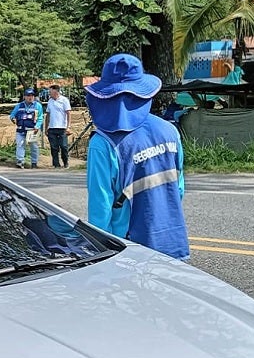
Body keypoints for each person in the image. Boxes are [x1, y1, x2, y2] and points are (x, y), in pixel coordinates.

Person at [85, 53, 189, 260]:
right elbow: (178, 189)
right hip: (171, 242)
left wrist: (100, 255)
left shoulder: (102, 143)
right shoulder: (169, 131)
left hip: (129, 252)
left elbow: (100, 209)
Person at [9, 89, 43, 168]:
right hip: (21, 130)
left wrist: (37, 126)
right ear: (24, 96)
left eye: (32, 96)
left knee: (34, 146)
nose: (30, 97)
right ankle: (20, 161)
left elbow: (40, 117)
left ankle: (34, 163)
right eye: (28, 96)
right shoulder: (19, 106)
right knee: (20, 145)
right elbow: (12, 115)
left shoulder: (38, 106)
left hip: (32, 130)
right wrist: (13, 118)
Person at [45, 85, 72, 169]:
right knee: (54, 147)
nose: (49, 93)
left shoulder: (64, 100)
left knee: (63, 146)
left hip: (62, 127)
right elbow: (48, 115)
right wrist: (46, 127)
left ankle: (65, 162)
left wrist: (68, 126)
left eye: (50, 91)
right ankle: (56, 164)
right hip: (52, 128)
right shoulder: (50, 101)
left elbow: (68, 113)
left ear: (56, 91)